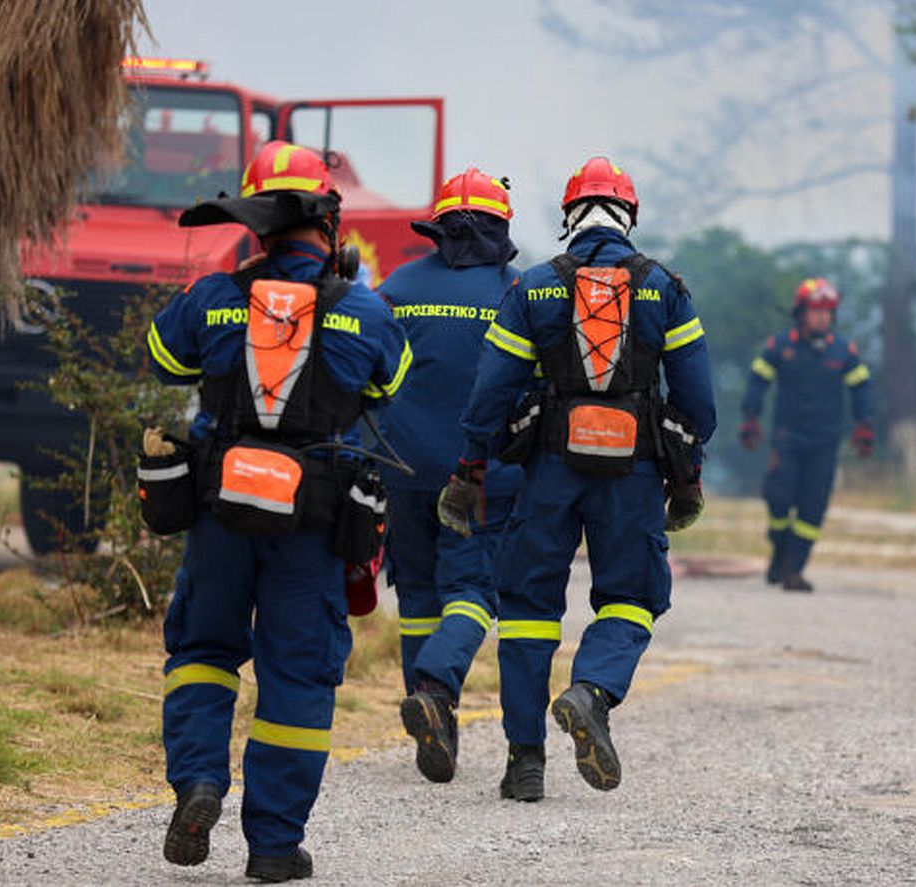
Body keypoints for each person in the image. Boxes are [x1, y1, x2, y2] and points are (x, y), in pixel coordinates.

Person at [145, 140, 411, 882]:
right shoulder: (366, 309)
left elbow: (163, 357)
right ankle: (272, 846)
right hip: (313, 525)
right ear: (329, 223)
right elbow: (388, 388)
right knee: (296, 679)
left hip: (220, 511)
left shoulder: (211, 295)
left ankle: (198, 779)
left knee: (202, 650)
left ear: (257, 223)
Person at [439, 157, 715, 801]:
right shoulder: (665, 289)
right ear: (630, 217)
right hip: (635, 477)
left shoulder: (533, 287)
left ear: (569, 218)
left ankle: (524, 761)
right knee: (633, 598)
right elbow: (699, 404)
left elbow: (490, 393)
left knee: (529, 613)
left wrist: (473, 464)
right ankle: (591, 690)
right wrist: (685, 472)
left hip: (548, 475)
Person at [375, 167, 523, 784]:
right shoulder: (519, 292)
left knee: (416, 594)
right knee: (474, 591)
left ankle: (434, 722)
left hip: (401, 468)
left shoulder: (395, 287)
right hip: (483, 475)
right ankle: (436, 688)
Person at [739, 277, 873, 592]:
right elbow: (758, 381)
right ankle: (780, 550)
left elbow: (862, 387)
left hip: (825, 443)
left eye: (828, 311)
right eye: (816, 310)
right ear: (801, 312)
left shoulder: (844, 351)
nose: (823, 317)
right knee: (779, 498)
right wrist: (750, 418)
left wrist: (864, 425)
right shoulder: (779, 347)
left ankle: (794, 570)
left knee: (813, 509)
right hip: (787, 438)